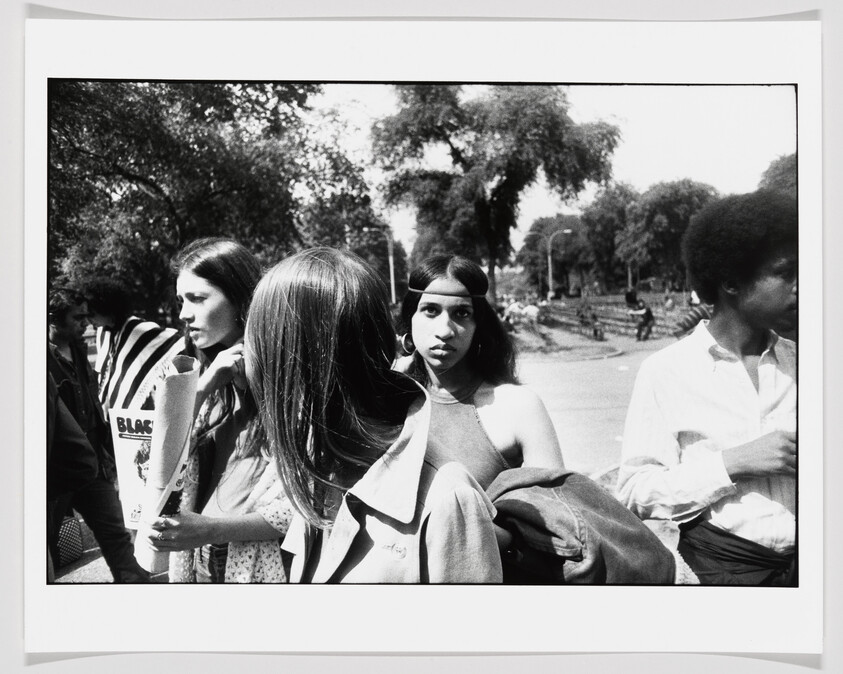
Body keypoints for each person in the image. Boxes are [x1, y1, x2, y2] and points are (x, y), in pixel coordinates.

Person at [245, 248, 502, 583]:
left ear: (300, 368)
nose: (249, 365)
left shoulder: (447, 499)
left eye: (260, 349)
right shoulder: (321, 472)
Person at [617, 190, 798, 585]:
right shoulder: (666, 371)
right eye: (786, 273)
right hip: (717, 576)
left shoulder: (805, 363)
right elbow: (634, 491)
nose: (801, 286)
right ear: (731, 282)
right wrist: (730, 464)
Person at [143, 238, 292, 583]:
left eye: (197, 298)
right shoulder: (206, 378)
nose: (184, 313)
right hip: (198, 554)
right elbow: (158, 457)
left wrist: (211, 529)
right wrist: (203, 387)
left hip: (255, 563)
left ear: (241, 298)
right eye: (181, 300)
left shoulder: (286, 384)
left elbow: (303, 507)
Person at [47, 287, 150, 583]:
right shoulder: (36, 357)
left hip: (92, 465)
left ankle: (136, 588)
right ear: (52, 318)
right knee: (42, 545)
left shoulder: (79, 349)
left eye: (87, 317)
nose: (87, 324)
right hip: (56, 474)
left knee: (116, 536)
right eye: (78, 318)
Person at [82, 277, 185, 413]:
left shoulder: (137, 330)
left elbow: (173, 341)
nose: (88, 321)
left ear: (106, 308)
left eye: (92, 314)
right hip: (108, 413)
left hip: (137, 411)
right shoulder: (102, 332)